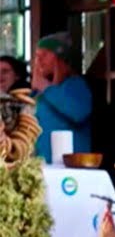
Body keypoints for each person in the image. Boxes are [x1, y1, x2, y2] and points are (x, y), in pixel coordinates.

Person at [31, 32, 93, 162]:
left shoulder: (75, 85)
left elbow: (79, 113)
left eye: (45, 54)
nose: (39, 60)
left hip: (69, 170)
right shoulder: (37, 93)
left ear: (60, 58)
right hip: (41, 166)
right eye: (37, 56)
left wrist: (48, 89)